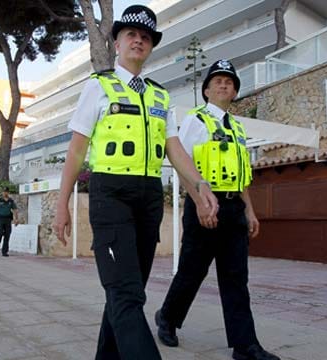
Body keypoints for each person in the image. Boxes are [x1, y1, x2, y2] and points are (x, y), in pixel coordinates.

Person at [53, 5, 218, 359]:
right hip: (109, 194)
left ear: (151, 46)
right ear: (116, 43)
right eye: (131, 34)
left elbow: (174, 149)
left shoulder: (160, 96)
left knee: (125, 293)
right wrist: (62, 203)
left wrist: (200, 184)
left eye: (145, 37)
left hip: (147, 198)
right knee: (127, 294)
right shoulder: (98, 87)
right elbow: (77, 151)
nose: (138, 41)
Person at [154, 59, 280, 360]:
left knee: (236, 277)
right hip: (205, 206)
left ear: (235, 91)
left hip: (233, 208)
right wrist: (199, 203)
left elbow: (241, 176)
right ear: (206, 91)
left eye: (230, 81)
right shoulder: (197, 121)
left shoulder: (237, 128)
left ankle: (244, 345)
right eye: (217, 81)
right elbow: (182, 165)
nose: (224, 84)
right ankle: (167, 318)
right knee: (191, 272)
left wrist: (249, 210)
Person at [0, 186, 18, 256]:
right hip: (0, 219)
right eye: (4, 191)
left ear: (8, 192)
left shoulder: (11, 201)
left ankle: (5, 251)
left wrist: (16, 219)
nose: (5, 193)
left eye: (6, 191)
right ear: (2, 192)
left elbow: (15, 210)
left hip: (8, 219)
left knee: (7, 235)